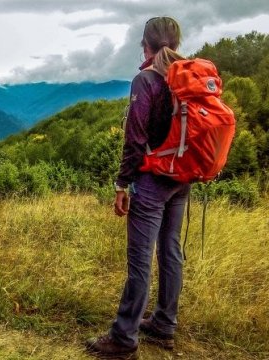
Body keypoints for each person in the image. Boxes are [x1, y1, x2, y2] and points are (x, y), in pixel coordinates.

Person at [86, 17, 190, 359]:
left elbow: (135, 139)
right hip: (181, 178)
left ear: (144, 44)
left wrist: (122, 184)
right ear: (176, 42)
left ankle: (124, 338)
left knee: (140, 261)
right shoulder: (185, 78)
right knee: (171, 250)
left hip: (152, 181)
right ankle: (164, 324)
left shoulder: (145, 80)